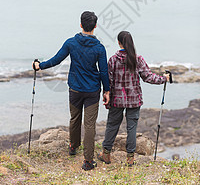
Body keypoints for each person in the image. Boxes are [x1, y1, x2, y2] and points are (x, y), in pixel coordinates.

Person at [33, 11, 110, 171]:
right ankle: (88, 161)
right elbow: (103, 72)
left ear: (81, 25)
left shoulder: (71, 43)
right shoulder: (99, 48)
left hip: (75, 89)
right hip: (92, 91)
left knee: (74, 119)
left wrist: (40, 65)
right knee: (89, 125)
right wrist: (107, 91)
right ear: (95, 26)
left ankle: (73, 146)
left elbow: (56, 60)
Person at [97, 31, 170, 166]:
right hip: (134, 99)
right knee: (132, 128)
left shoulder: (113, 60)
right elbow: (148, 77)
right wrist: (163, 79)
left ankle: (106, 154)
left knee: (112, 125)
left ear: (118, 43)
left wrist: (106, 94)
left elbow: (108, 81)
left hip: (117, 99)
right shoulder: (138, 59)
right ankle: (130, 159)